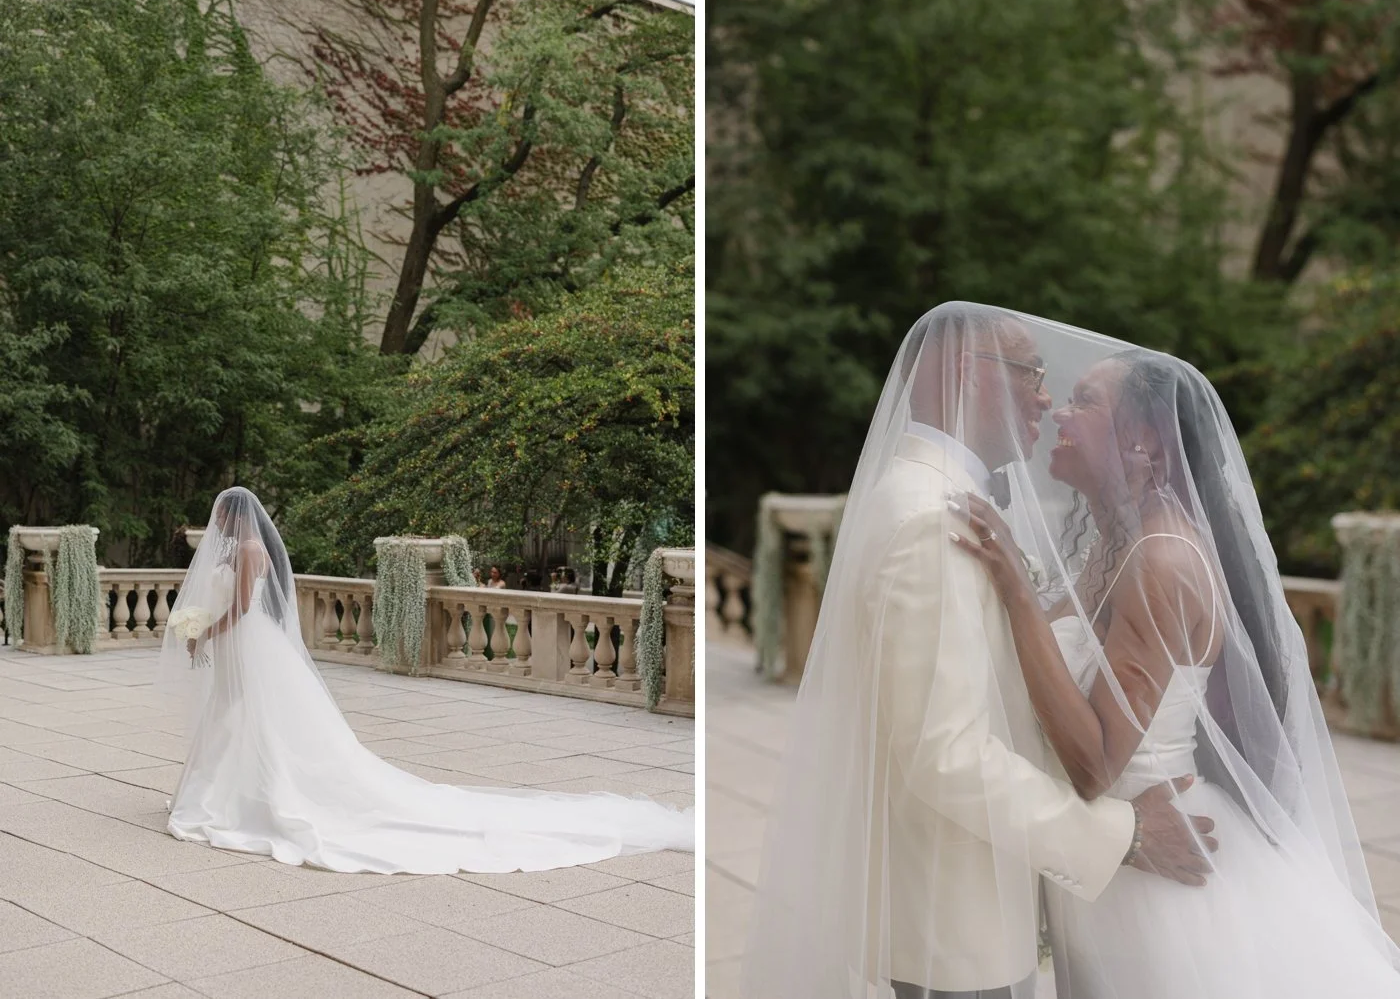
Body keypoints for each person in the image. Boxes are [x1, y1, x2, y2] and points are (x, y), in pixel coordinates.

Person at [744, 303, 1218, 999]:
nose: (1047, 396)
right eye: (1032, 374)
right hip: (953, 911)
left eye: (1072, 393)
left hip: (990, 886)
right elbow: (946, 752)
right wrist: (1123, 835)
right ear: (970, 372)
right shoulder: (934, 519)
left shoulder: (935, 501)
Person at [949, 344, 1400, 997]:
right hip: (1114, 856)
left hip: (1160, 871)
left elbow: (1097, 761)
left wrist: (1018, 591)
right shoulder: (1119, 543)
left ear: (1146, 444)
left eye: (1085, 402)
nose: (1059, 413)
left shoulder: (1160, 561)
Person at [157, 487, 692, 874]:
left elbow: (247, 605)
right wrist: (203, 626)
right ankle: (225, 792)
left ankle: (246, 799)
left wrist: (204, 633)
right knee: (232, 717)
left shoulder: (249, 551)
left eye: (221, 517)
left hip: (249, 641)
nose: (219, 526)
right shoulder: (234, 549)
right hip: (242, 646)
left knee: (255, 720)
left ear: (233, 517)